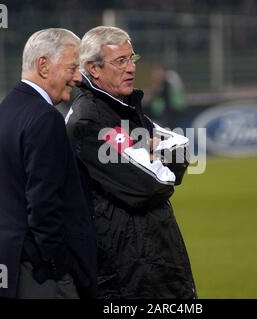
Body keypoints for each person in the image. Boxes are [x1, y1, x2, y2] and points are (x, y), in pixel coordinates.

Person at [63, 26, 197, 298]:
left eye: (131, 59)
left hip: (154, 261)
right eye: (120, 61)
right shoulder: (90, 120)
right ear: (94, 69)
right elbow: (153, 182)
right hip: (125, 273)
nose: (131, 68)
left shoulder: (122, 107)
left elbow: (182, 149)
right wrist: (150, 154)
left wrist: (146, 153)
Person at [0, 28, 97, 299]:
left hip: (9, 268)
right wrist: (57, 267)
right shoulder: (45, 118)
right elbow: (44, 206)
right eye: (72, 67)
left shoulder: (4, 111)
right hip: (41, 277)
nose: (78, 77)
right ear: (43, 65)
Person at [144, 64, 187, 129]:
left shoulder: (168, 82)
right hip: (165, 115)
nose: (155, 75)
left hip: (172, 114)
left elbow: (159, 93)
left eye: (157, 72)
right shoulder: (168, 82)